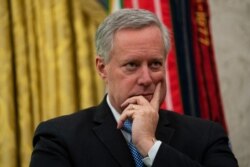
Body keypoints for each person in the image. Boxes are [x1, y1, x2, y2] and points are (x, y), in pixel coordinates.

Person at [29, 9, 238, 167]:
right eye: (132, 65)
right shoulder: (59, 138)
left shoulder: (207, 135)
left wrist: (150, 146)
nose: (146, 78)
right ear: (102, 68)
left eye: (155, 64)